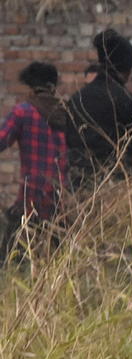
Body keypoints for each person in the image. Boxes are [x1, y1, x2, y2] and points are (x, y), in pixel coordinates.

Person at [0, 62, 68, 261]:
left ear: (31, 86)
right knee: (56, 264)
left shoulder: (24, 112)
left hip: (30, 201)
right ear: (53, 86)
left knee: (12, 263)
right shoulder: (67, 113)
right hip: (61, 202)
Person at [65, 29, 132, 188]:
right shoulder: (123, 99)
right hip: (113, 186)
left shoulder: (77, 98)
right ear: (126, 68)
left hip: (79, 183)